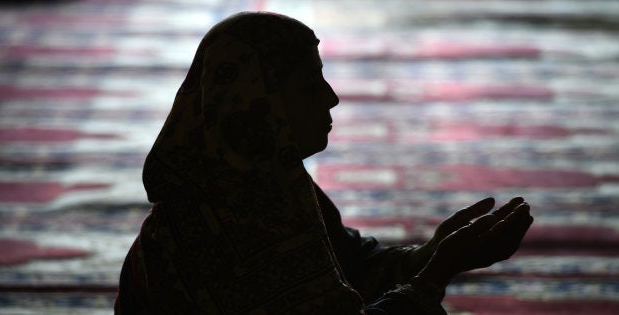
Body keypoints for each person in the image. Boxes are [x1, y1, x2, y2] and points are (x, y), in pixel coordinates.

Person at [115, 12, 534, 314]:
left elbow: (351, 264)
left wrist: (430, 253)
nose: (331, 96)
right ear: (263, 107)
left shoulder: (270, 186)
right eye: (309, 84)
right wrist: (437, 273)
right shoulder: (219, 233)